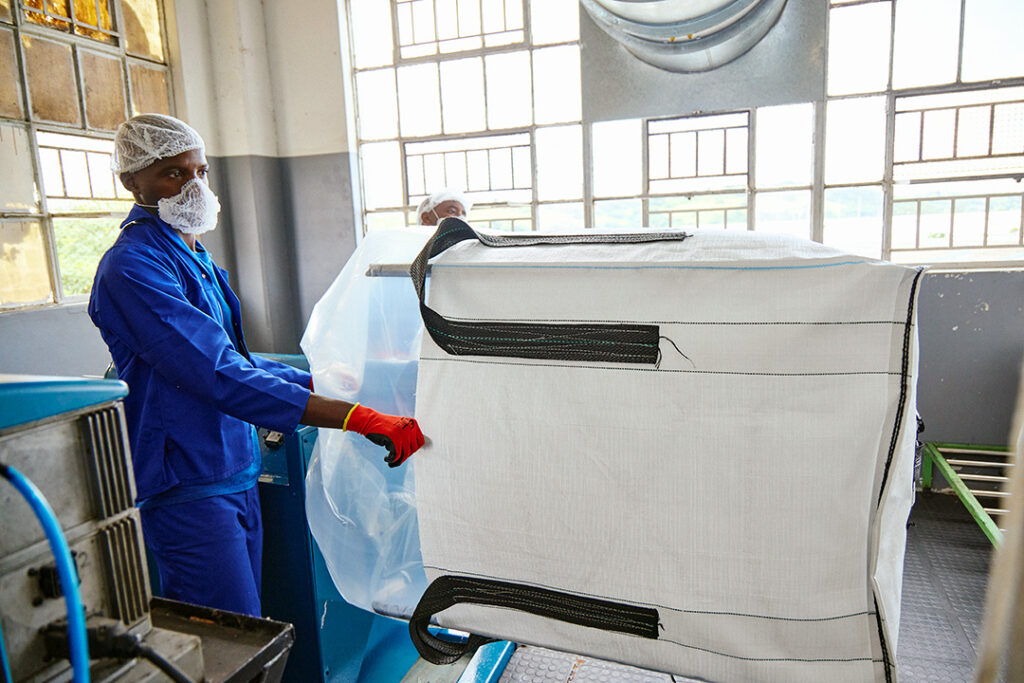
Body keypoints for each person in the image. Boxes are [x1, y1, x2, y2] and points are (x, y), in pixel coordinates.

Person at [88, 113, 424, 617]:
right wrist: (354, 417)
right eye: (173, 174)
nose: (193, 185)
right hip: (188, 480)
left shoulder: (191, 253)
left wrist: (319, 381)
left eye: (200, 171)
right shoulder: (132, 266)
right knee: (228, 626)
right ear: (132, 181)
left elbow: (236, 356)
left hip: (233, 465)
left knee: (248, 623)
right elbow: (215, 371)